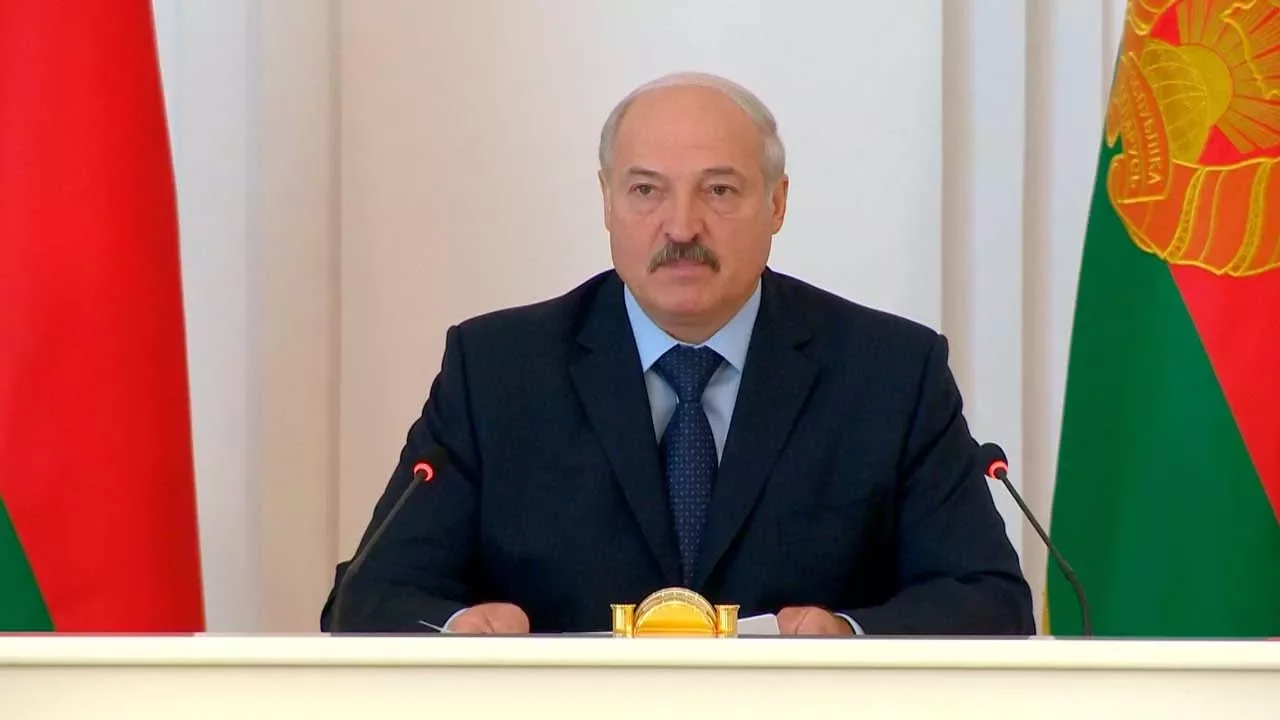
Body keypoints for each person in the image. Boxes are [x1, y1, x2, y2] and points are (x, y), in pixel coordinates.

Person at [320, 72, 1035, 636]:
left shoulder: (889, 374)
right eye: (646, 191)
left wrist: (847, 635)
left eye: (719, 190)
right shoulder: (498, 373)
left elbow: (991, 601)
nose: (682, 226)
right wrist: (459, 629)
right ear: (607, 202)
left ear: (777, 204)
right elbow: (367, 598)